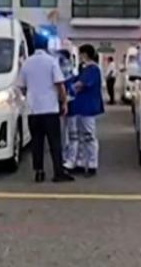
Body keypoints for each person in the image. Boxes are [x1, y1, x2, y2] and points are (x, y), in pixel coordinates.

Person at [19, 36, 74, 183]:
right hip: (50, 109)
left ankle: (39, 172)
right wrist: (64, 102)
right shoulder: (51, 61)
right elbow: (60, 84)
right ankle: (58, 172)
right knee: (55, 143)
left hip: (33, 110)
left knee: (37, 143)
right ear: (46, 46)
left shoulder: (26, 63)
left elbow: (22, 86)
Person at [69, 44, 105, 176]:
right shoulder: (84, 69)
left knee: (89, 136)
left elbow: (81, 84)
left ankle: (91, 164)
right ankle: (80, 162)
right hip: (81, 106)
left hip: (88, 107)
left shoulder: (93, 69)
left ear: (85, 54)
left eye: (81, 54)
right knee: (81, 136)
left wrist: (71, 88)